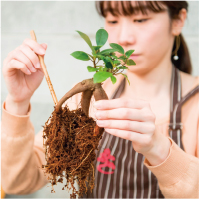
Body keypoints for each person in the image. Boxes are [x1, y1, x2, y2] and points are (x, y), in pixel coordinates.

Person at [1, 1, 199, 198]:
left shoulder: (195, 104)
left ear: (178, 21)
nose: (124, 37)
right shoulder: (85, 98)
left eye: (140, 19)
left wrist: (159, 149)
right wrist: (18, 101)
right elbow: (16, 181)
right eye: (113, 21)